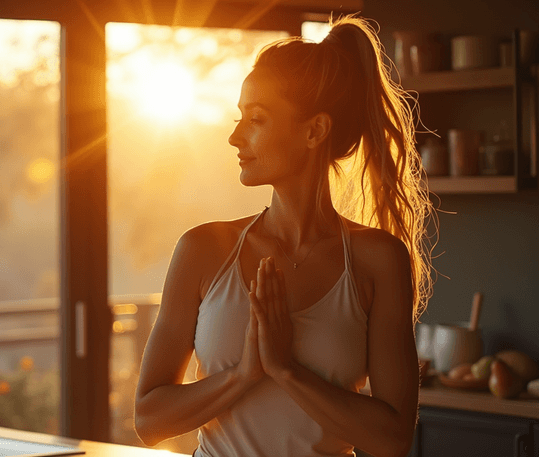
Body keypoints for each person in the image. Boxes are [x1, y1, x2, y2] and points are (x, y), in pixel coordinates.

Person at [133, 13, 434, 457]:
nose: (235, 136)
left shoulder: (378, 259)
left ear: (314, 130)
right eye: (239, 117)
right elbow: (149, 421)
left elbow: (392, 439)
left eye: (256, 118)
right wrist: (244, 375)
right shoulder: (203, 250)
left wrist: (286, 370)